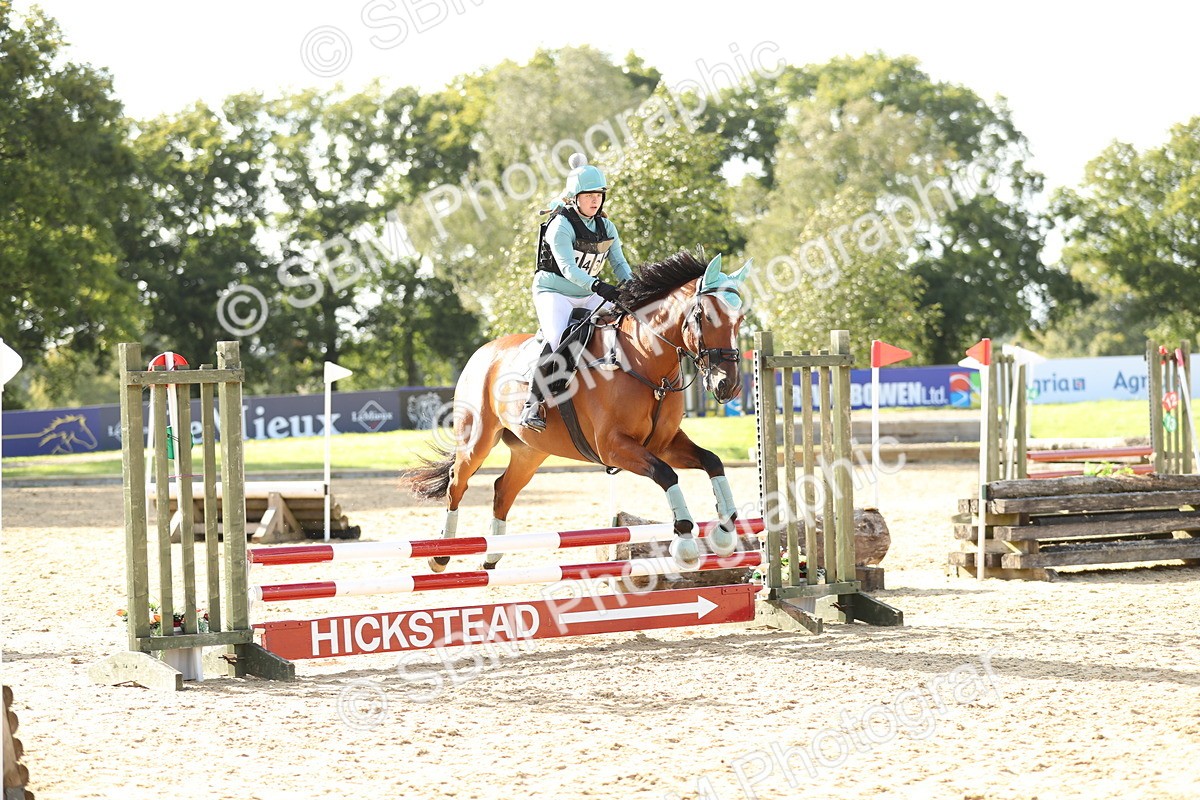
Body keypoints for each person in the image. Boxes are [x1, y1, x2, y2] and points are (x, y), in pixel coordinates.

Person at [519, 153, 633, 431]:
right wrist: (600, 287)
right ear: (575, 197)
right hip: (554, 291)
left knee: (627, 323)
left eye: (599, 195)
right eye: (588, 195)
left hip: (588, 292)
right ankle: (532, 404)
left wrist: (634, 287)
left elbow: (619, 263)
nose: (595, 200)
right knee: (559, 337)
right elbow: (569, 270)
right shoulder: (560, 226)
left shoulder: (607, 227)